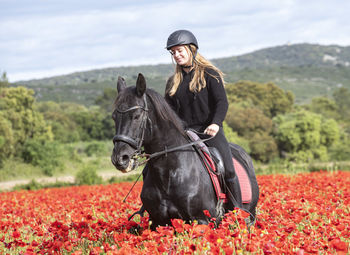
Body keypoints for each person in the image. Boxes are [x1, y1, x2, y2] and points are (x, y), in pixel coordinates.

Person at [164, 29, 242, 210]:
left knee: (228, 169)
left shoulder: (210, 74)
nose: (176, 55)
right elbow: (168, 112)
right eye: (173, 52)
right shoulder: (173, 82)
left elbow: (222, 102)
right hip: (184, 134)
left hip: (208, 131)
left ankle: (238, 212)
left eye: (180, 50)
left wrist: (215, 123)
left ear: (191, 49)